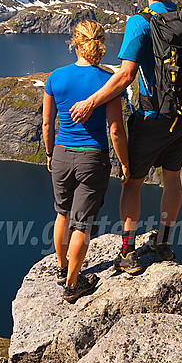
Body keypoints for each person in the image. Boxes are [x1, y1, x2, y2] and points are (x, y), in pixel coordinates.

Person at [70, 0, 182, 274]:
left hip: (153, 117)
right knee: (172, 178)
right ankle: (164, 242)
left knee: (133, 182)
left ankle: (128, 252)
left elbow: (126, 75)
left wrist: (91, 102)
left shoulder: (140, 22)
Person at [43, 20, 130, 303]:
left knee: (62, 213)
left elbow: (47, 124)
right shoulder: (108, 81)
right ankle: (72, 285)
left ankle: (62, 268)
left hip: (61, 154)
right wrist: (125, 163)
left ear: (76, 44)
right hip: (93, 158)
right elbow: (115, 129)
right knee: (82, 223)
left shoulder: (56, 77)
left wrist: (49, 153)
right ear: (101, 46)